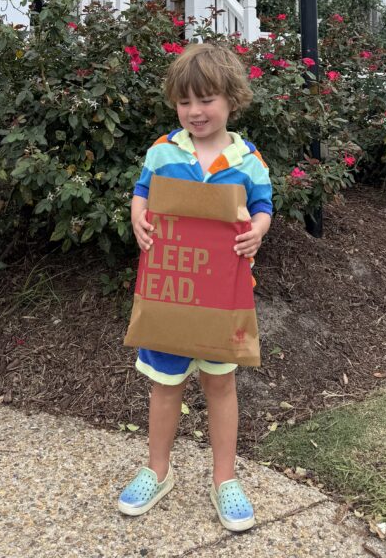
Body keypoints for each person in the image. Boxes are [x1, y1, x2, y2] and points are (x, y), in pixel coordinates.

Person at [117, 42, 272, 532]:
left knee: (221, 386)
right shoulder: (163, 152)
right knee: (164, 389)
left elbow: (264, 205)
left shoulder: (247, 160)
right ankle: (156, 471)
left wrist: (259, 231)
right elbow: (142, 194)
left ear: (231, 99)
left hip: (222, 298)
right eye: (185, 101)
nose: (195, 111)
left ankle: (224, 479)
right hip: (171, 295)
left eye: (205, 99)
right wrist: (139, 221)